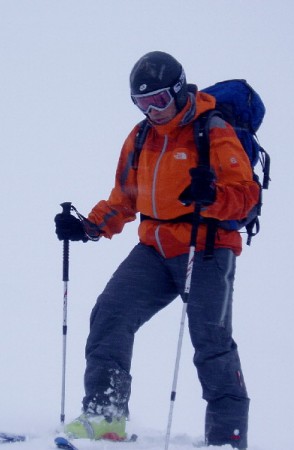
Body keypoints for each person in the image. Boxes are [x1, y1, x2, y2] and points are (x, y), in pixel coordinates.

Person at [54, 51, 259, 449]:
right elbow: (126, 196)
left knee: (211, 342)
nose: (152, 111)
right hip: (154, 247)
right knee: (110, 314)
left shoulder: (212, 130)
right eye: (142, 103)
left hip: (208, 249)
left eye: (159, 101)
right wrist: (89, 226)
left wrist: (211, 195)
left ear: (179, 92)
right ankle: (104, 415)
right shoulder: (141, 135)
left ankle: (227, 438)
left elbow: (246, 196)